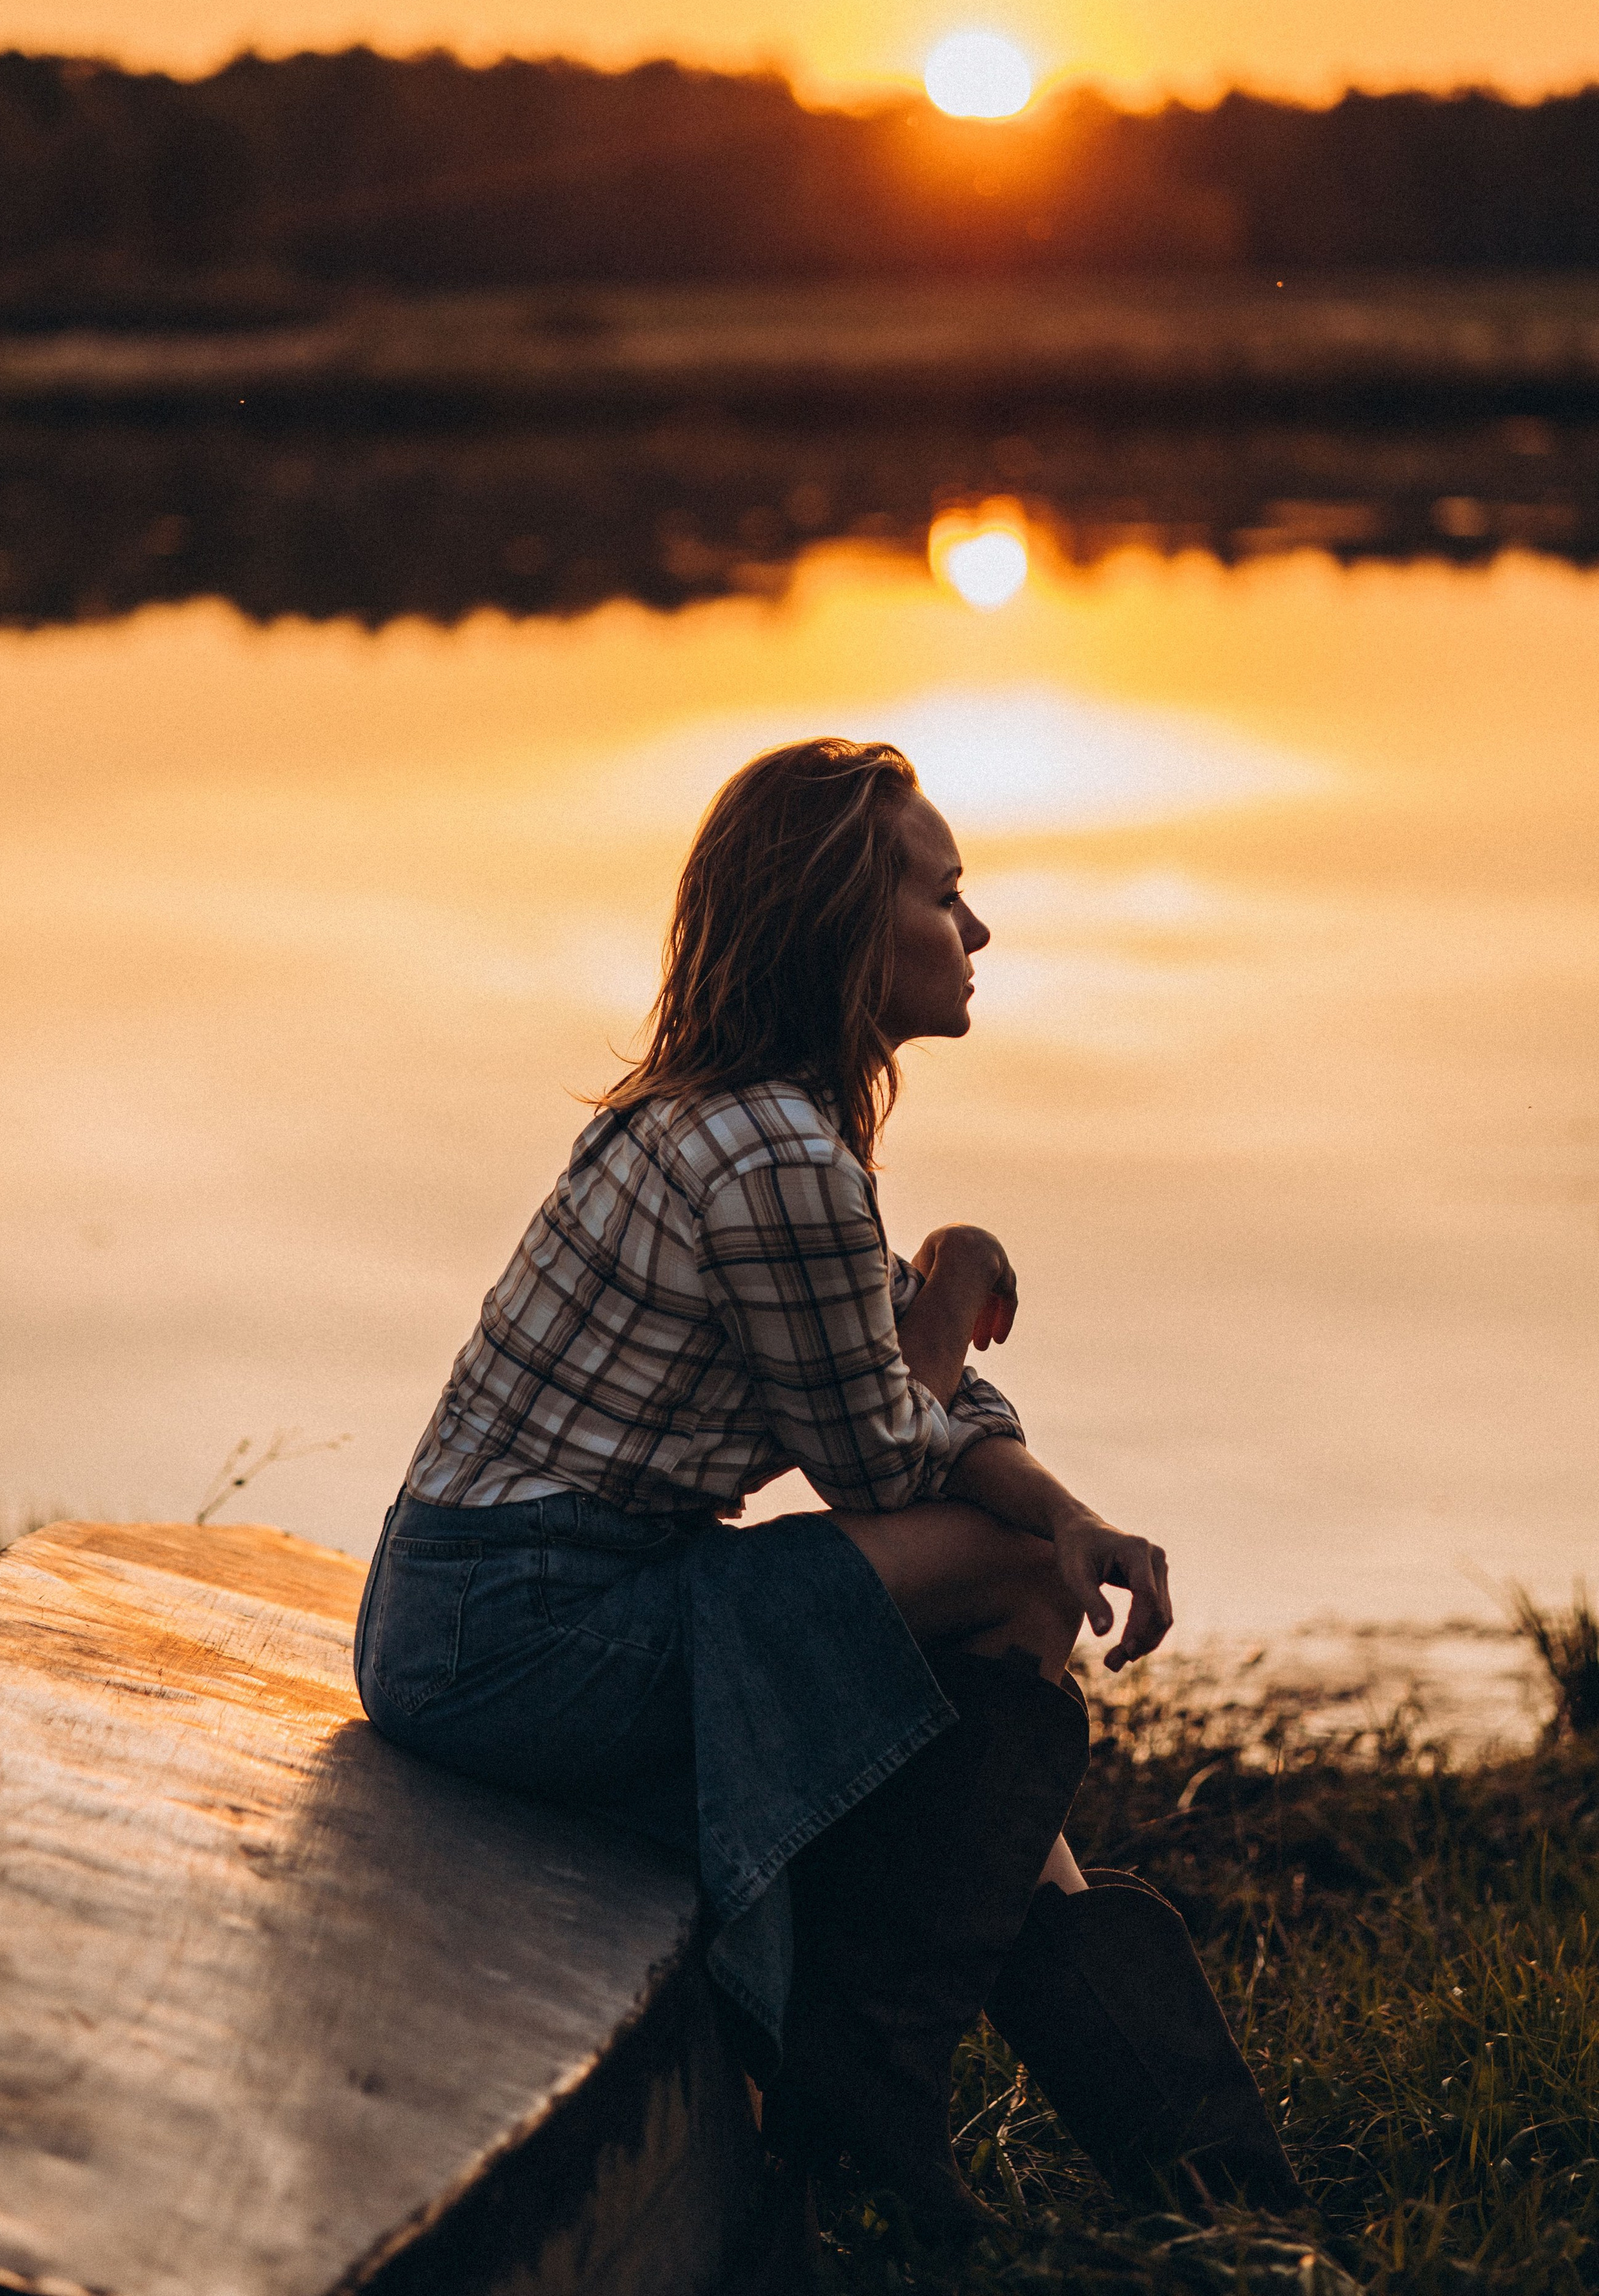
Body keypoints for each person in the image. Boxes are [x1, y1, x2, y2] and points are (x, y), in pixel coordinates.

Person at [354, 736, 1299, 2233]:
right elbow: (878, 1456)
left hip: (489, 1609)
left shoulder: (736, 1118)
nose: (976, 932)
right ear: (850, 929)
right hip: (528, 1630)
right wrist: (1032, 1465)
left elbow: (896, 1409)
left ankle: (1215, 2196)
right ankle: (876, 2107)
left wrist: (1027, 1458)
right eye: (946, 896)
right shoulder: (780, 1154)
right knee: (1002, 1591)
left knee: (963, 1734)